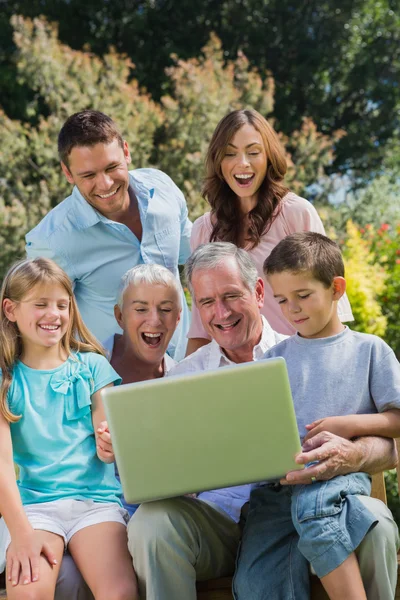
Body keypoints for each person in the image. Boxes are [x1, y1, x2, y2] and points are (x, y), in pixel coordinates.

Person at [127, 242, 398, 600]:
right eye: (207, 302)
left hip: (319, 492)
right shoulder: (186, 379)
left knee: (362, 524)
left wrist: (351, 440)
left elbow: (388, 436)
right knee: (158, 523)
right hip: (236, 518)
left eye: (230, 296)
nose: (220, 312)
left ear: (257, 293)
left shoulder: (307, 351)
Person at [234, 232, 400, 600]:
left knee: (315, 507)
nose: (293, 309)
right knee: (252, 584)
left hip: (337, 481)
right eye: (281, 300)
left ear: (336, 288)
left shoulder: (369, 350)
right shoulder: (273, 360)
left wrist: (347, 425)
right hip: (278, 492)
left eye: (303, 296)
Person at [0, 257, 138, 600]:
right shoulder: (6, 380)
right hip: (34, 508)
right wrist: (20, 535)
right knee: (28, 593)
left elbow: (108, 441)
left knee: (118, 593)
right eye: (41, 304)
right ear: (11, 310)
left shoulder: (93, 366)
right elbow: (2, 466)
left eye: (62, 305)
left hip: (95, 503)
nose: (54, 314)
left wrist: (109, 445)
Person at [55, 263, 183, 600]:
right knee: (64, 576)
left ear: (179, 318)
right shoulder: (80, 375)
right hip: (83, 518)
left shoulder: (187, 381)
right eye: (140, 309)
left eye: (166, 309)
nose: (154, 320)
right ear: (119, 316)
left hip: (155, 526)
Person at [25, 109, 192, 361]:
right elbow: (40, 331)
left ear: (126, 151)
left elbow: (194, 255)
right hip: (116, 384)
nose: (105, 184)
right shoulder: (51, 242)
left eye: (112, 167)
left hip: (188, 362)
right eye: (88, 175)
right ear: (68, 173)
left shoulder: (163, 189)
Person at [186, 108, 353, 355]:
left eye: (253, 152)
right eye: (230, 153)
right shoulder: (203, 230)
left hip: (298, 360)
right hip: (235, 369)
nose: (243, 163)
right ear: (218, 162)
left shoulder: (296, 213)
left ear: (268, 158)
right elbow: (201, 325)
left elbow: (332, 306)